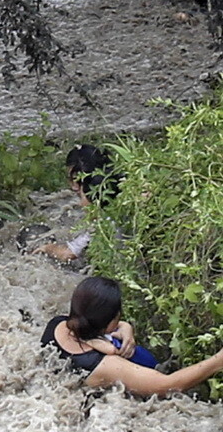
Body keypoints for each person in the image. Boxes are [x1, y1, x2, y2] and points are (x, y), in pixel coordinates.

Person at [41, 276, 223, 396]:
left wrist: (125, 326)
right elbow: (169, 385)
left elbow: (89, 326)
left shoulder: (57, 324)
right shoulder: (107, 366)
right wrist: (217, 361)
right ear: (110, 320)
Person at [35, 144, 117, 262]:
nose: (74, 187)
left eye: (74, 179)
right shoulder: (122, 195)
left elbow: (68, 254)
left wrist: (47, 248)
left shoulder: (104, 223)